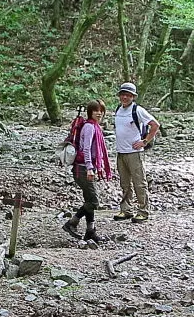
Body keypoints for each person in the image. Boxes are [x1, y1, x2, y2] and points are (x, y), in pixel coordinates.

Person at [63, 99, 112, 243]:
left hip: (86, 169)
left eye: (101, 111)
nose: (99, 113)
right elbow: (86, 149)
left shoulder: (95, 126)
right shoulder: (90, 127)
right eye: (96, 110)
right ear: (90, 112)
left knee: (89, 200)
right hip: (83, 169)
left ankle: (90, 230)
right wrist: (91, 168)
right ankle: (72, 223)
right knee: (94, 202)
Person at [112, 82, 160, 223]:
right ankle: (126, 210)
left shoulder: (138, 110)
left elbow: (155, 125)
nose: (125, 97)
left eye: (128, 95)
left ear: (133, 97)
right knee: (125, 183)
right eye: (123, 94)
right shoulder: (118, 110)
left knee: (139, 182)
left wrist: (144, 141)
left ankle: (143, 211)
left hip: (135, 152)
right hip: (121, 152)